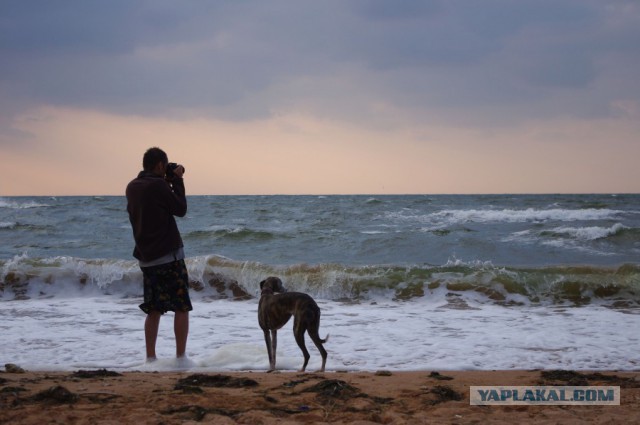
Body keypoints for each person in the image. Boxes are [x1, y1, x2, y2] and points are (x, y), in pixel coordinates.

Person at [126, 147, 192, 362]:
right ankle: (181, 357)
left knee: (153, 309)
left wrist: (168, 181)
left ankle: (150, 358)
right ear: (161, 165)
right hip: (169, 256)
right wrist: (178, 180)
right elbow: (180, 209)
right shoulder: (158, 185)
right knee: (181, 307)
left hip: (146, 259)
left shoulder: (132, 187)